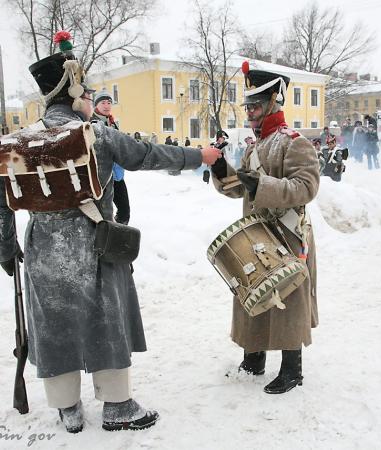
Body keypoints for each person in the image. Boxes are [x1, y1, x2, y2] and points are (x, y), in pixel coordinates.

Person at [0, 31, 220, 433]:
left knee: (53, 324)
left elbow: (1, 199)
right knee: (105, 318)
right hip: (96, 243)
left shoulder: (19, 141)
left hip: (43, 251)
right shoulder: (96, 133)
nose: (90, 100)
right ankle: (117, 406)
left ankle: (67, 408)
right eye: (86, 94)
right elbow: (148, 155)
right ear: (73, 94)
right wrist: (198, 156)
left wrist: (5, 249)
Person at [210, 61, 319, 394]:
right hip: (258, 233)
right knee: (250, 291)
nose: (250, 112)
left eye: (255, 105)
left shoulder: (294, 142)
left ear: (275, 99)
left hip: (289, 234)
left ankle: (292, 369)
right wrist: (219, 167)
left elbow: (306, 188)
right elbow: (236, 188)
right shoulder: (255, 146)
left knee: (289, 299)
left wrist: (262, 186)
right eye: (248, 106)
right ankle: (253, 358)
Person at [91, 90, 130, 224]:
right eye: (103, 103)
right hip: (101, 176)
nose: (107, 105)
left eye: (109, 103)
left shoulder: (112, 122)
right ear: (96, 105)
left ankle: (119, 232)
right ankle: (109, 236)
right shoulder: (92, 122)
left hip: (117, 174)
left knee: (124, 210)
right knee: (103, 211)